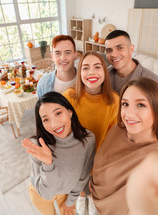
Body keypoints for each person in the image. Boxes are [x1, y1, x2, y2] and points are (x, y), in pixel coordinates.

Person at [91, 77, 158, 215]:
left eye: (141, 105)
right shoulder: (118, 129)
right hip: (95, 203)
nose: (129, 114)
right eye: (125, 104)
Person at [22, 91, 95, 215]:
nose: (54, 124)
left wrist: (70, 201)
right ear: (41, 123)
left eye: (58, 113)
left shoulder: (88, 140)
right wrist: (48, 163)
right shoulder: (38, 146)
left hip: (67, 193)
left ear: (70, 112)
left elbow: (83, 176)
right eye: (46, 119)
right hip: (40, 193)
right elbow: (46, 194)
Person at [63, 51, 119, 152]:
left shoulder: (115, 101)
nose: (91, 72)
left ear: (104, 72)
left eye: (97, 67)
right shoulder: (68, 97)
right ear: (80, 73)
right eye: (85, 68)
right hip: (73, 156)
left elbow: (113, 140)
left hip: (101, 158)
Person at [105, 30, 158, 94]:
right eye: (109, 50)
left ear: (131, 49)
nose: (114, 54)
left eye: (120, 48)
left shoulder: (153, 82)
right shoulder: (104, 75)